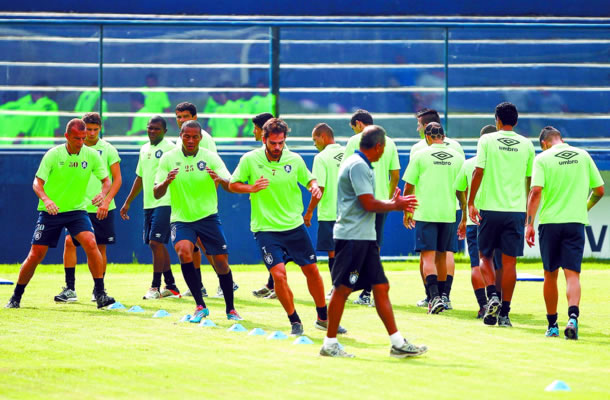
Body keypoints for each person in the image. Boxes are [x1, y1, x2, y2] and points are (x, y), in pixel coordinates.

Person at [320, 125, 426, 358]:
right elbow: (368, 203)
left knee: (380, 286)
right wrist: (395, 205)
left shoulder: (360, 164)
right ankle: (329, 344)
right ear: (378, 147)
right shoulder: (357, 166)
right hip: (352, 237)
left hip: (364, 237)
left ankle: (397, 343)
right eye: (384, 148)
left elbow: (368, 202)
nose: (383, 153)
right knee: (342, 289)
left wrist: (391, 203)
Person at [229, 118, 342, 336]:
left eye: (281, 143)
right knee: (279, 275)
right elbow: (233, 184)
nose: (277, 147)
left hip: (294, 226)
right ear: (264, 139)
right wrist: (251, 188)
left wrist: (314, 187)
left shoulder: (295, 159)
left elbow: (309, 180)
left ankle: (323, 317)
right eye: (273, 143)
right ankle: (295, 321)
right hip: (265, 229)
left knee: (312, 271)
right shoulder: (250, 160)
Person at [6, 119, 116, 309]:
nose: (81, 141)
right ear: (66, 137)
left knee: (91, 242)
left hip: (77, 211)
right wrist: (47, 200)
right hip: (51, 212)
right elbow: (37, 183)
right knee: (36, 254)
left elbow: (107, 180)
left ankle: (100, 294)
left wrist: (102, 194)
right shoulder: (53, 155)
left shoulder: (91, 155)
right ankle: (16, 297)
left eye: (83, 138)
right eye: (77, 138)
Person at [153, 120, 241, 322]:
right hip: (181, 219)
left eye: (195, 137)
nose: (191, 140)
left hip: (208, 217)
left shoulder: (210, 157)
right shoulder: (168, 159)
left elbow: (231, 184)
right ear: (180, 136)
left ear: (201, 138)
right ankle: (200, 305)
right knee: (184, 252)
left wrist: (220, 180)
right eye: (186, 136)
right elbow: (156, 193)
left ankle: (231, 309)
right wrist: (166, 182)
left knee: (221, 263)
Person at [525, 126, 604, 339]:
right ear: (560, 139)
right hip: (575, 222)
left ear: (544, 143)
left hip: (550, 223)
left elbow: (535, 192)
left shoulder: (542, 159)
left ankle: (552, 326)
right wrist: (583, 208)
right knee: (572, 274)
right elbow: (599, 191)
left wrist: (529, 224)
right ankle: (573, 318)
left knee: (550, 275)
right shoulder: (583, 155)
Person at [468, 102, 535, 327]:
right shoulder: (527, 144)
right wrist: (528, 213)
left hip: (490, 208)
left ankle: (492, 295)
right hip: (515, 210)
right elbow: (530, 181)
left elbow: (478, 171)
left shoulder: (486, 140)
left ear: (497, 119)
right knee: (510, 263)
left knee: (484, 257)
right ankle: (505, 314)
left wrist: (470, 203)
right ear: (515, 121)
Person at [54, 113, 122, 303]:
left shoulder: (108, 149)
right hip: (77, 208)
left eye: (95, 129)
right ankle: (70, 288)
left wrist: (106, 202)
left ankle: (98, 290)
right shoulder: (74, 150)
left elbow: (117, 179)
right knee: (69, 242)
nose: (91, 133)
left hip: (102, 208)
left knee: (100, 247)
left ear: (100, 129)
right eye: (88, 129)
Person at [173, 102, 238, 298]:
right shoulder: (180, 140)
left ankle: (225, 282)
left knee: (205, 244)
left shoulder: (204, 139)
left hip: (202, 205)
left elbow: (213, 169)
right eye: (179, 117)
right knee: (191, 245)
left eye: (186, 116)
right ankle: (199, 285)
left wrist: (210, 196)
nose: (182, 120)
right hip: (185, 204)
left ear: (195, 117)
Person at [403, 122, 464, 314]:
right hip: (448, 213)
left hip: (426, 212)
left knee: (427, 256)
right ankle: (444, 296)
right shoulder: (458, 157)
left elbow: (408, 187)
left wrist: (407, 211)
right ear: (443, 137)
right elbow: (462, 189)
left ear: (427, 137)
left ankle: (434, 297)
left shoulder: (420, 155)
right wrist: (463, 212)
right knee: (442, 256)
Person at [342, 109, 400, 306]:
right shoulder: (389, 142)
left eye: (353, 128)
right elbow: (395, 174)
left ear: (359, 124)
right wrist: (390, 195)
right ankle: (368, 291)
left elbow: (346, 171)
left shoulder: (354, 141)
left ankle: (353, 288)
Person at [120, 116, 181, 299]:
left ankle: (155, 287)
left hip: (165, 201)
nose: (152, 131)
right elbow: (139, 177)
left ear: (164, 131)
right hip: (149, 203)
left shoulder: (171, 148)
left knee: (156, 243)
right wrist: (128, 201)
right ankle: (171, 286)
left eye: (156, 129)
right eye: (150, 128)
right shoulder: (144, 148)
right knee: (156, 244)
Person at [454, 124, 503, 318]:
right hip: (499, 216)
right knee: (499, 264)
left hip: (476, 220)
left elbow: (459, 188)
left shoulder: (469, 163)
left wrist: (465, 215)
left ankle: (483, 305)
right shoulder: (503, 163)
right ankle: (498, 301)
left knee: (478, 263)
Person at [304, 123, 344, 300]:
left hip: (330, 213)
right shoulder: (349, 153)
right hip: (351, 212)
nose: (314, 144)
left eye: (315, 139)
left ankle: (337, 287)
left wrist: (310, 211)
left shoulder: (321, 158)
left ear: (323, 137)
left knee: (333, 252)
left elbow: (319, 187)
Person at [249, 112, 279, 300]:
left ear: (263, 130)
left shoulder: (278, 152)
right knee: (271, 249)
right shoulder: (257, 154)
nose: (253, 131)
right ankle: (272, 284)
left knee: (276, 249)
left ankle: (277, 286)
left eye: (255, 128)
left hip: (276, 211)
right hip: (262, 210)